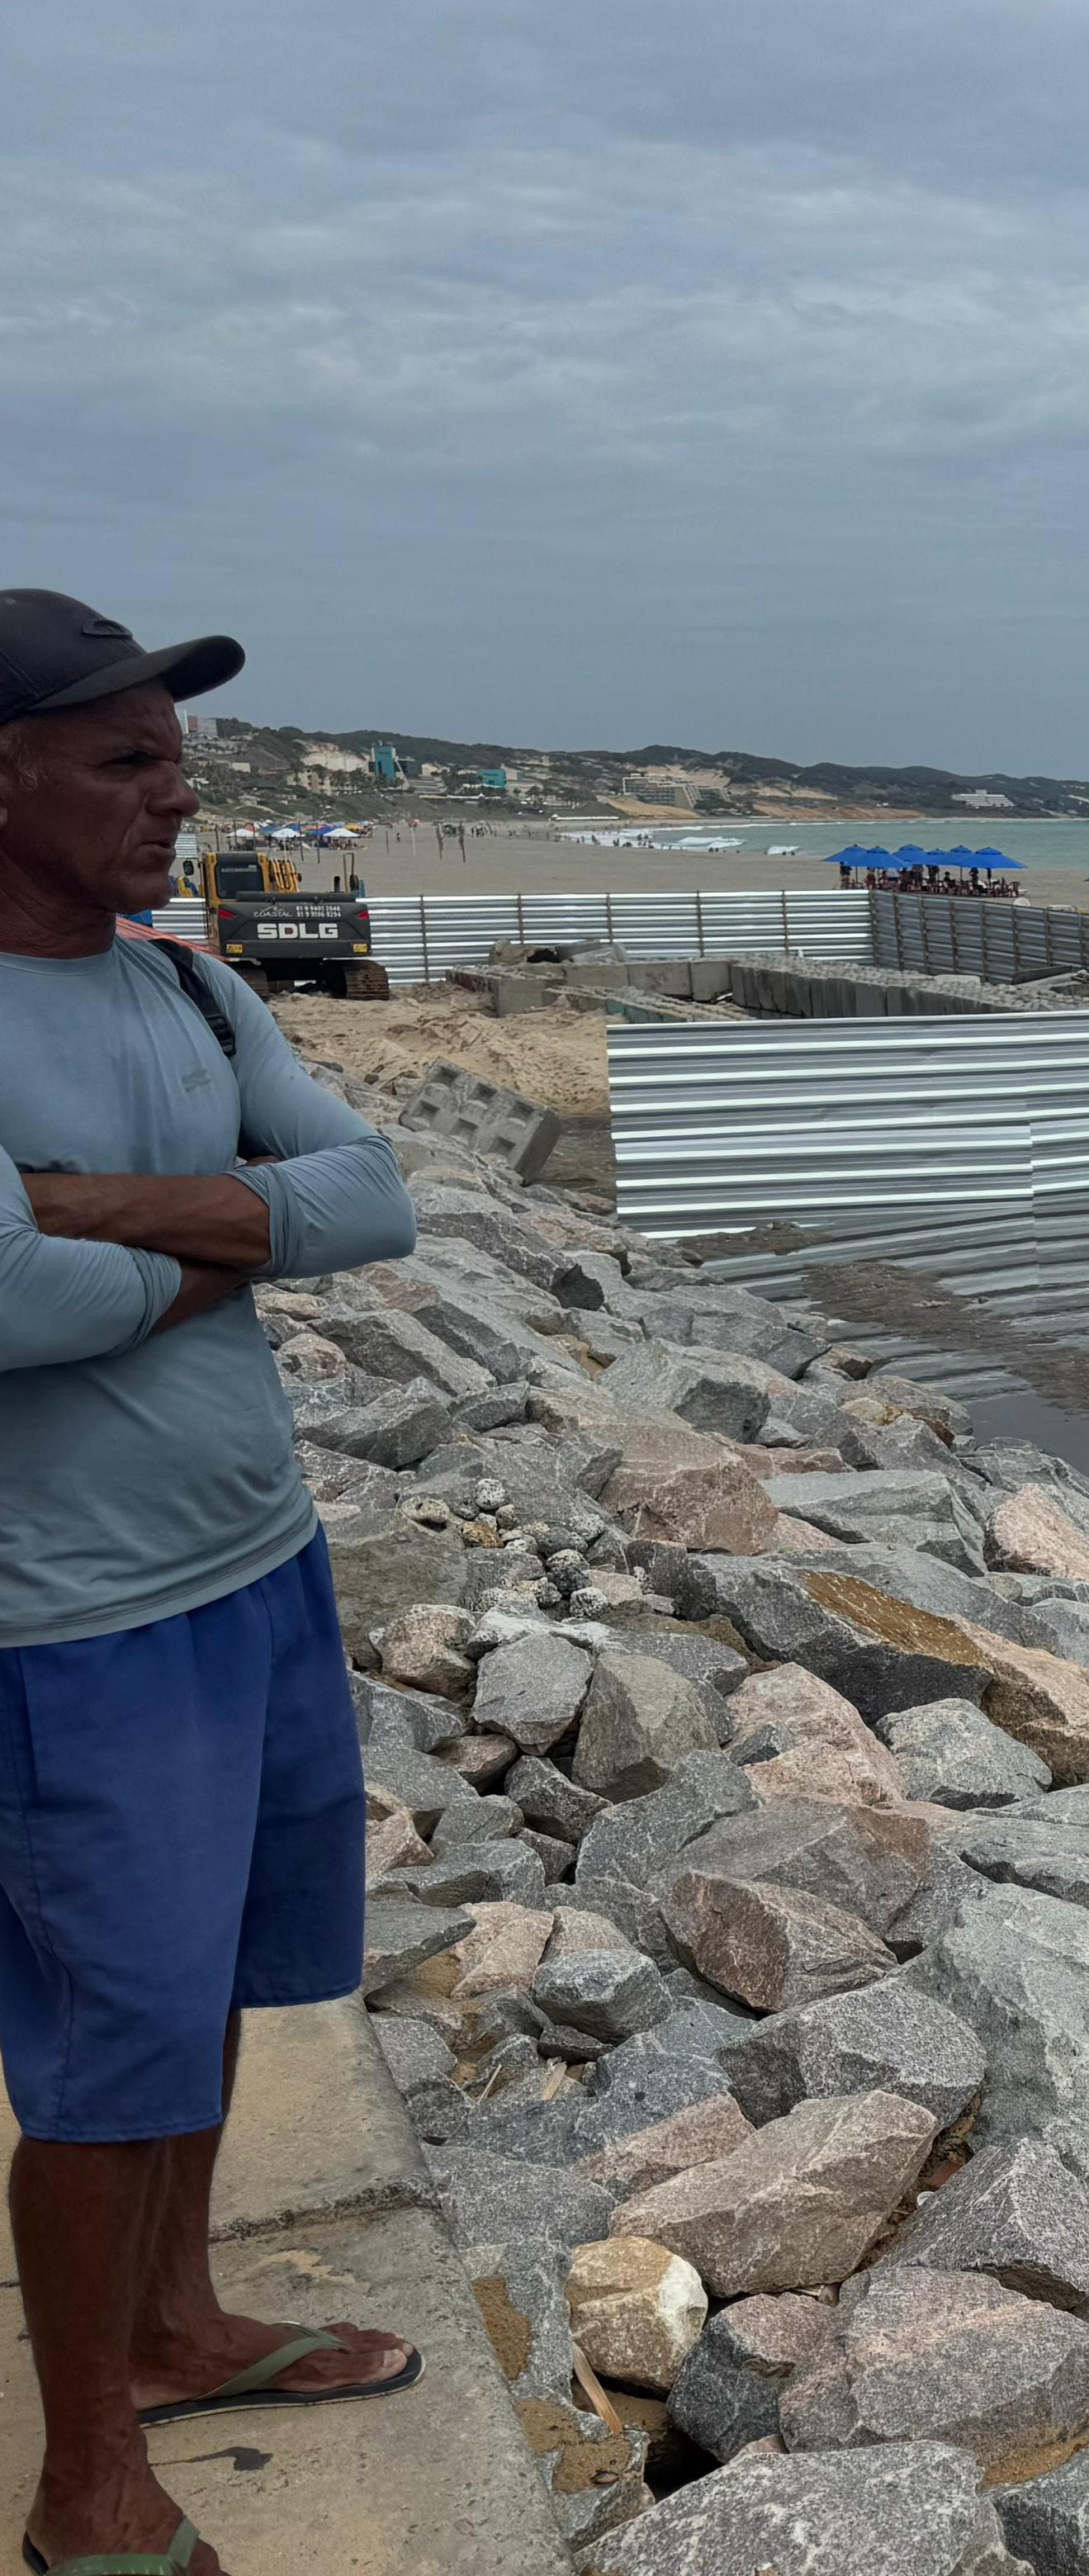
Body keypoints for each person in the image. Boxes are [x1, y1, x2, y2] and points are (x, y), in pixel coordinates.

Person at [0, 592, 424, 2576]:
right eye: (124, 761)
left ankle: (178, 2325)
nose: (178, 798)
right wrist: (235, 1243)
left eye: (177, 760)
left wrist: (101, 1216)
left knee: (209, 1996)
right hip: (66, 1623)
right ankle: (86, 2475)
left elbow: (379, 1197)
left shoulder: (189, 992)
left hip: (256, 1567)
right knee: (103, 2049)